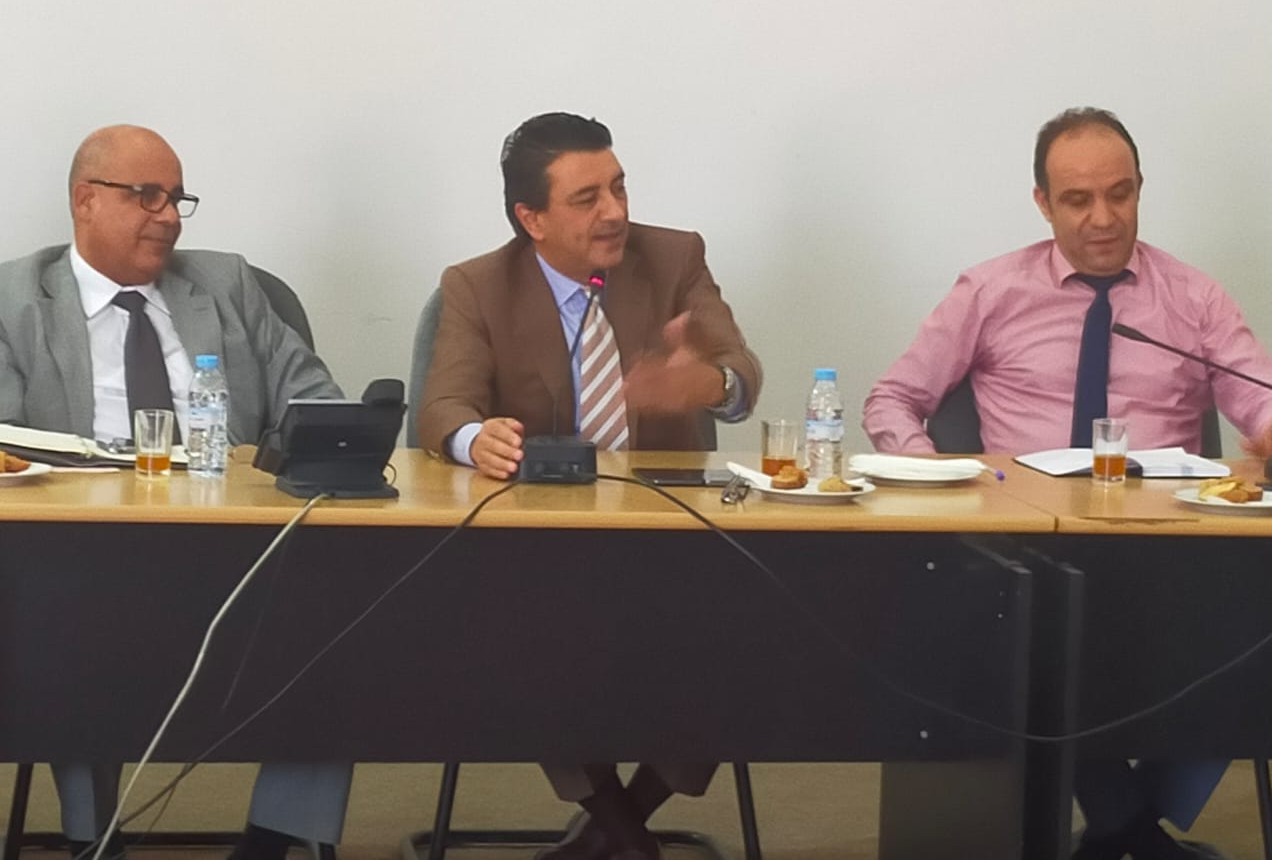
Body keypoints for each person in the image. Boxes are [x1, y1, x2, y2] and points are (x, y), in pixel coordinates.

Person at [864, 107, 1272, 860]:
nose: (1103, 219)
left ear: (1140, 188)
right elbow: (893, 399)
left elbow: (1260, 399)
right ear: (1042, 202)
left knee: (1260, 622)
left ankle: (1125, 825)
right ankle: (1136, 835)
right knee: (1042, 624)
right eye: (1079, 200)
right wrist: (939, 475)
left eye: (1120, 195)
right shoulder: (990, 290)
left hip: (1168, 546)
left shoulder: (1193, 299)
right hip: (1029, 547)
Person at [0, 125, 352, 860]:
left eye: (176, 198)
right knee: (52, 615)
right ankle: (94, 839)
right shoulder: (14, 300)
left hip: (238, 541)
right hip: (82, 549)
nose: (168, 216)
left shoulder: (227, 284)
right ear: (85, 200)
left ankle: (274, 840)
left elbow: (314, 400)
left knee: (347, 614)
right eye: (147, 196)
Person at [417, 112, 763, 860]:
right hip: (542, 544)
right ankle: (626, 838)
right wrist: (477, 438)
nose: (614, 212)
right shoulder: (477, 285)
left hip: (670, 533)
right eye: (586, 198)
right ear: (531, 218)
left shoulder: (674, 258)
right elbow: (442, 407)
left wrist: (708, 384)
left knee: (754, 619)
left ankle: (613, 833)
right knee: (528, 631)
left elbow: (741, 371)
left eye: (619, 188)